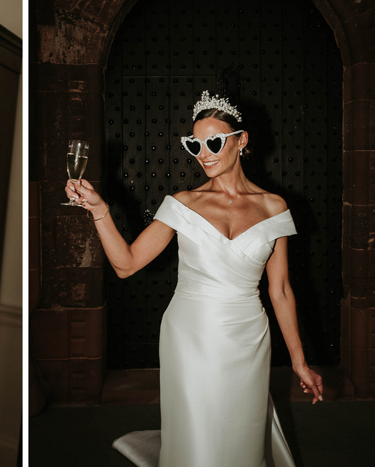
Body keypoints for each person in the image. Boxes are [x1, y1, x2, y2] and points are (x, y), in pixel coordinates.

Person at [65, 91, 323, 467]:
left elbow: (280, 290)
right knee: (198, 436)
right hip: (190, 335)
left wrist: (299, 360)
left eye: (214, 142)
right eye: (195, 144)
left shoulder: (275, 207)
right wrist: (100, 211)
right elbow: (127, 264)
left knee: (242, 433)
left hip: (249, 337)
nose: (204, 153)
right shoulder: (183, 204)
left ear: (242, 140)